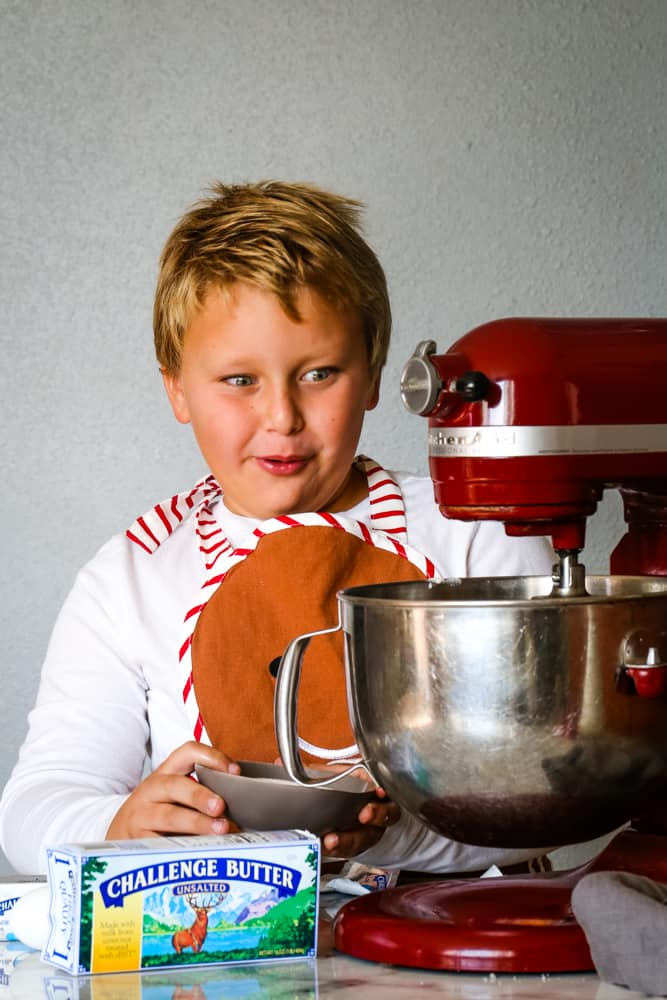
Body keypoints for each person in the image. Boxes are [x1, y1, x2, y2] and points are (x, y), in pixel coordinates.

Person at [0, 181, 554, 876]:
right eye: (238, 380)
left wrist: (392, 835)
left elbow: (543, 800)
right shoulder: (133, 577)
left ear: (375, 375)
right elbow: (32, 811)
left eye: (319, 373)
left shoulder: (472, 535)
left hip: (454, 953)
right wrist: (116, 825)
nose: (283, 417)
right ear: (176, 388)